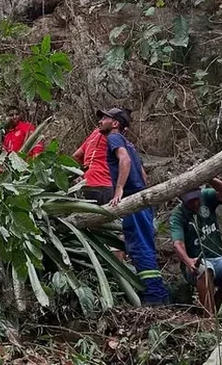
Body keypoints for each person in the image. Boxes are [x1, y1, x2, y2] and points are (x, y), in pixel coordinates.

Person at [98, 107, 170, 305]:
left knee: (139, 247)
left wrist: (119, 189)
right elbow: (143, 174)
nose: (100, 121)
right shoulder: (129, 143)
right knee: (144, 245)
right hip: (141, 200)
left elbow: (125, 160)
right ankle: (160, 296)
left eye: (105, 118)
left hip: (132, 201)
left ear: (115, 124)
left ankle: (154, 297)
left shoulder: (114, 138)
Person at [170, 178, 222, 315]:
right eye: (190, 201)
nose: (195, 203)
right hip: (196, 263)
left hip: (217, 258)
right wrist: (189, 261)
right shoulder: (178, 215)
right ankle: (208, 316)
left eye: (196, 198)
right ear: (181, 199)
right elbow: (177, 244)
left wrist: (209, 177)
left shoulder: (206, 197)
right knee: (205, 269)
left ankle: (218, 298)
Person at [72, 126, 112, 203]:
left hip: (85, 184)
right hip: (105, 185)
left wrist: (80, 173)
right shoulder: (114, 135)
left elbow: (76, 156)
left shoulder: (95, 134)